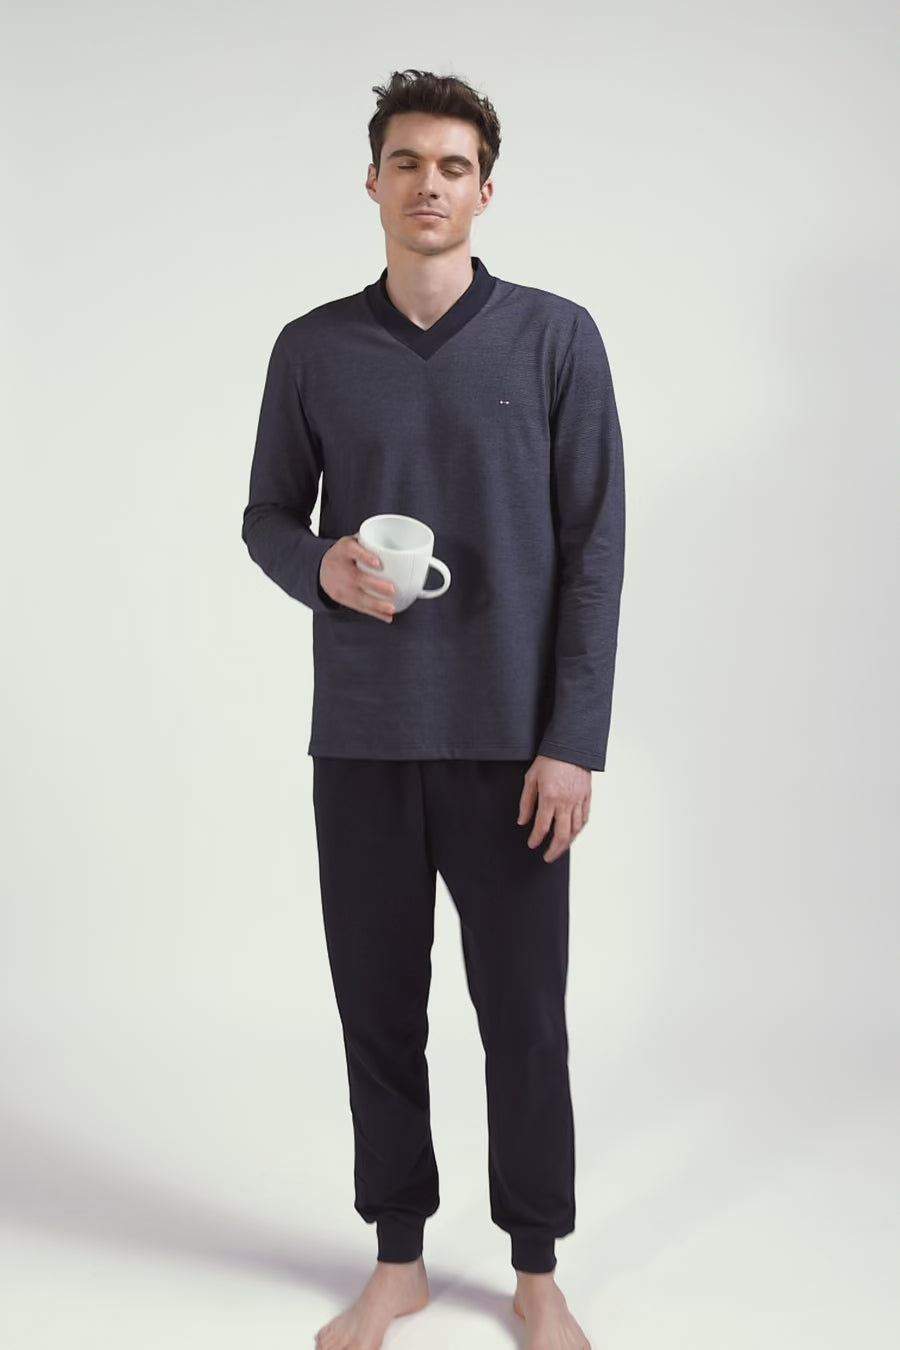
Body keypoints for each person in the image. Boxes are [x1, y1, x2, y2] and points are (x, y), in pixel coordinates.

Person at [242, 67, 625, 1350]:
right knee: (378, 1012)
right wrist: (320, 567)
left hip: (514, 749)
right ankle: (397, 1260)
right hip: (362, 738)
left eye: (453, 166)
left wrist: (573, 742)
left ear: (484, 191)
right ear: (373, 181)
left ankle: (536, 1270)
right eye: (407, 162)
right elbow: (265, 515)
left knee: (524, 1019)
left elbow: (596, 550)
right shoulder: (312, 347)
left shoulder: (556, 337)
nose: (428, 184)